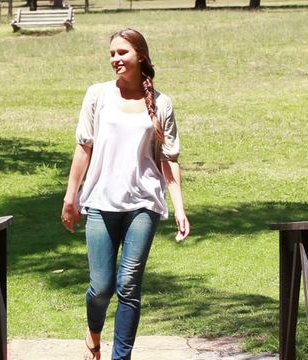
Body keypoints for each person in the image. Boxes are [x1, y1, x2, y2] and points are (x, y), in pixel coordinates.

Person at [60, 28, 191, 360]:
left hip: (143, 205)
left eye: (122, 53)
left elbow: (169, 160)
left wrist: (179, 208)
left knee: (129, 286)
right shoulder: (98, 95)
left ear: (140, 57)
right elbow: (83, 149)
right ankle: (93, 335)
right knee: (102, 288)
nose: (115, 59)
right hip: (101, 203)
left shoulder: (161, 104)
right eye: (112, 54)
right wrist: (70, 197)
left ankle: (121, 357)